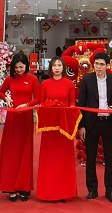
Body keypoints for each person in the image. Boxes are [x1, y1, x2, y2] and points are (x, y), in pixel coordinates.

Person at [78, 52, 112, 203]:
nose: (98, 67)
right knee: (90, 158)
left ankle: (110, 191)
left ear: (107, 66)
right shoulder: (87, 80)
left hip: (109, 123)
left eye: (101, 64)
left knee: (109, 158)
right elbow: (81, 104)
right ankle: (92, 189)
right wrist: (82, 126)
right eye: (96, 64)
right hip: (92, 123)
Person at [0, 53, 40, 201]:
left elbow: (38, 98)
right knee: (11, 151)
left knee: (25, 150)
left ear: (26, 66)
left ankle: (24, 187)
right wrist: (7, 98)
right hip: (13, 117)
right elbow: (1, 92)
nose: (18, 70)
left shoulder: (32, 79)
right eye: (16, 67)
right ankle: (10, 187)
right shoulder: (10, 79)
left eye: (21, 67)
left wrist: (27, 104)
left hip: (26, 117)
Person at [36, 56, 78, 202]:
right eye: (54, 65)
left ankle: (63, 192)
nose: (57, 68)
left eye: (59, 65)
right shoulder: (45, 84)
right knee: (49, 159)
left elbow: (72, 104)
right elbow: (41, 104)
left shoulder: (69, 84)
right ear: (51, 68)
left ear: (63, 68)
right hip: (49, 128)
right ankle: (48, 192)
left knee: (63, 159)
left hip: (64, 127)